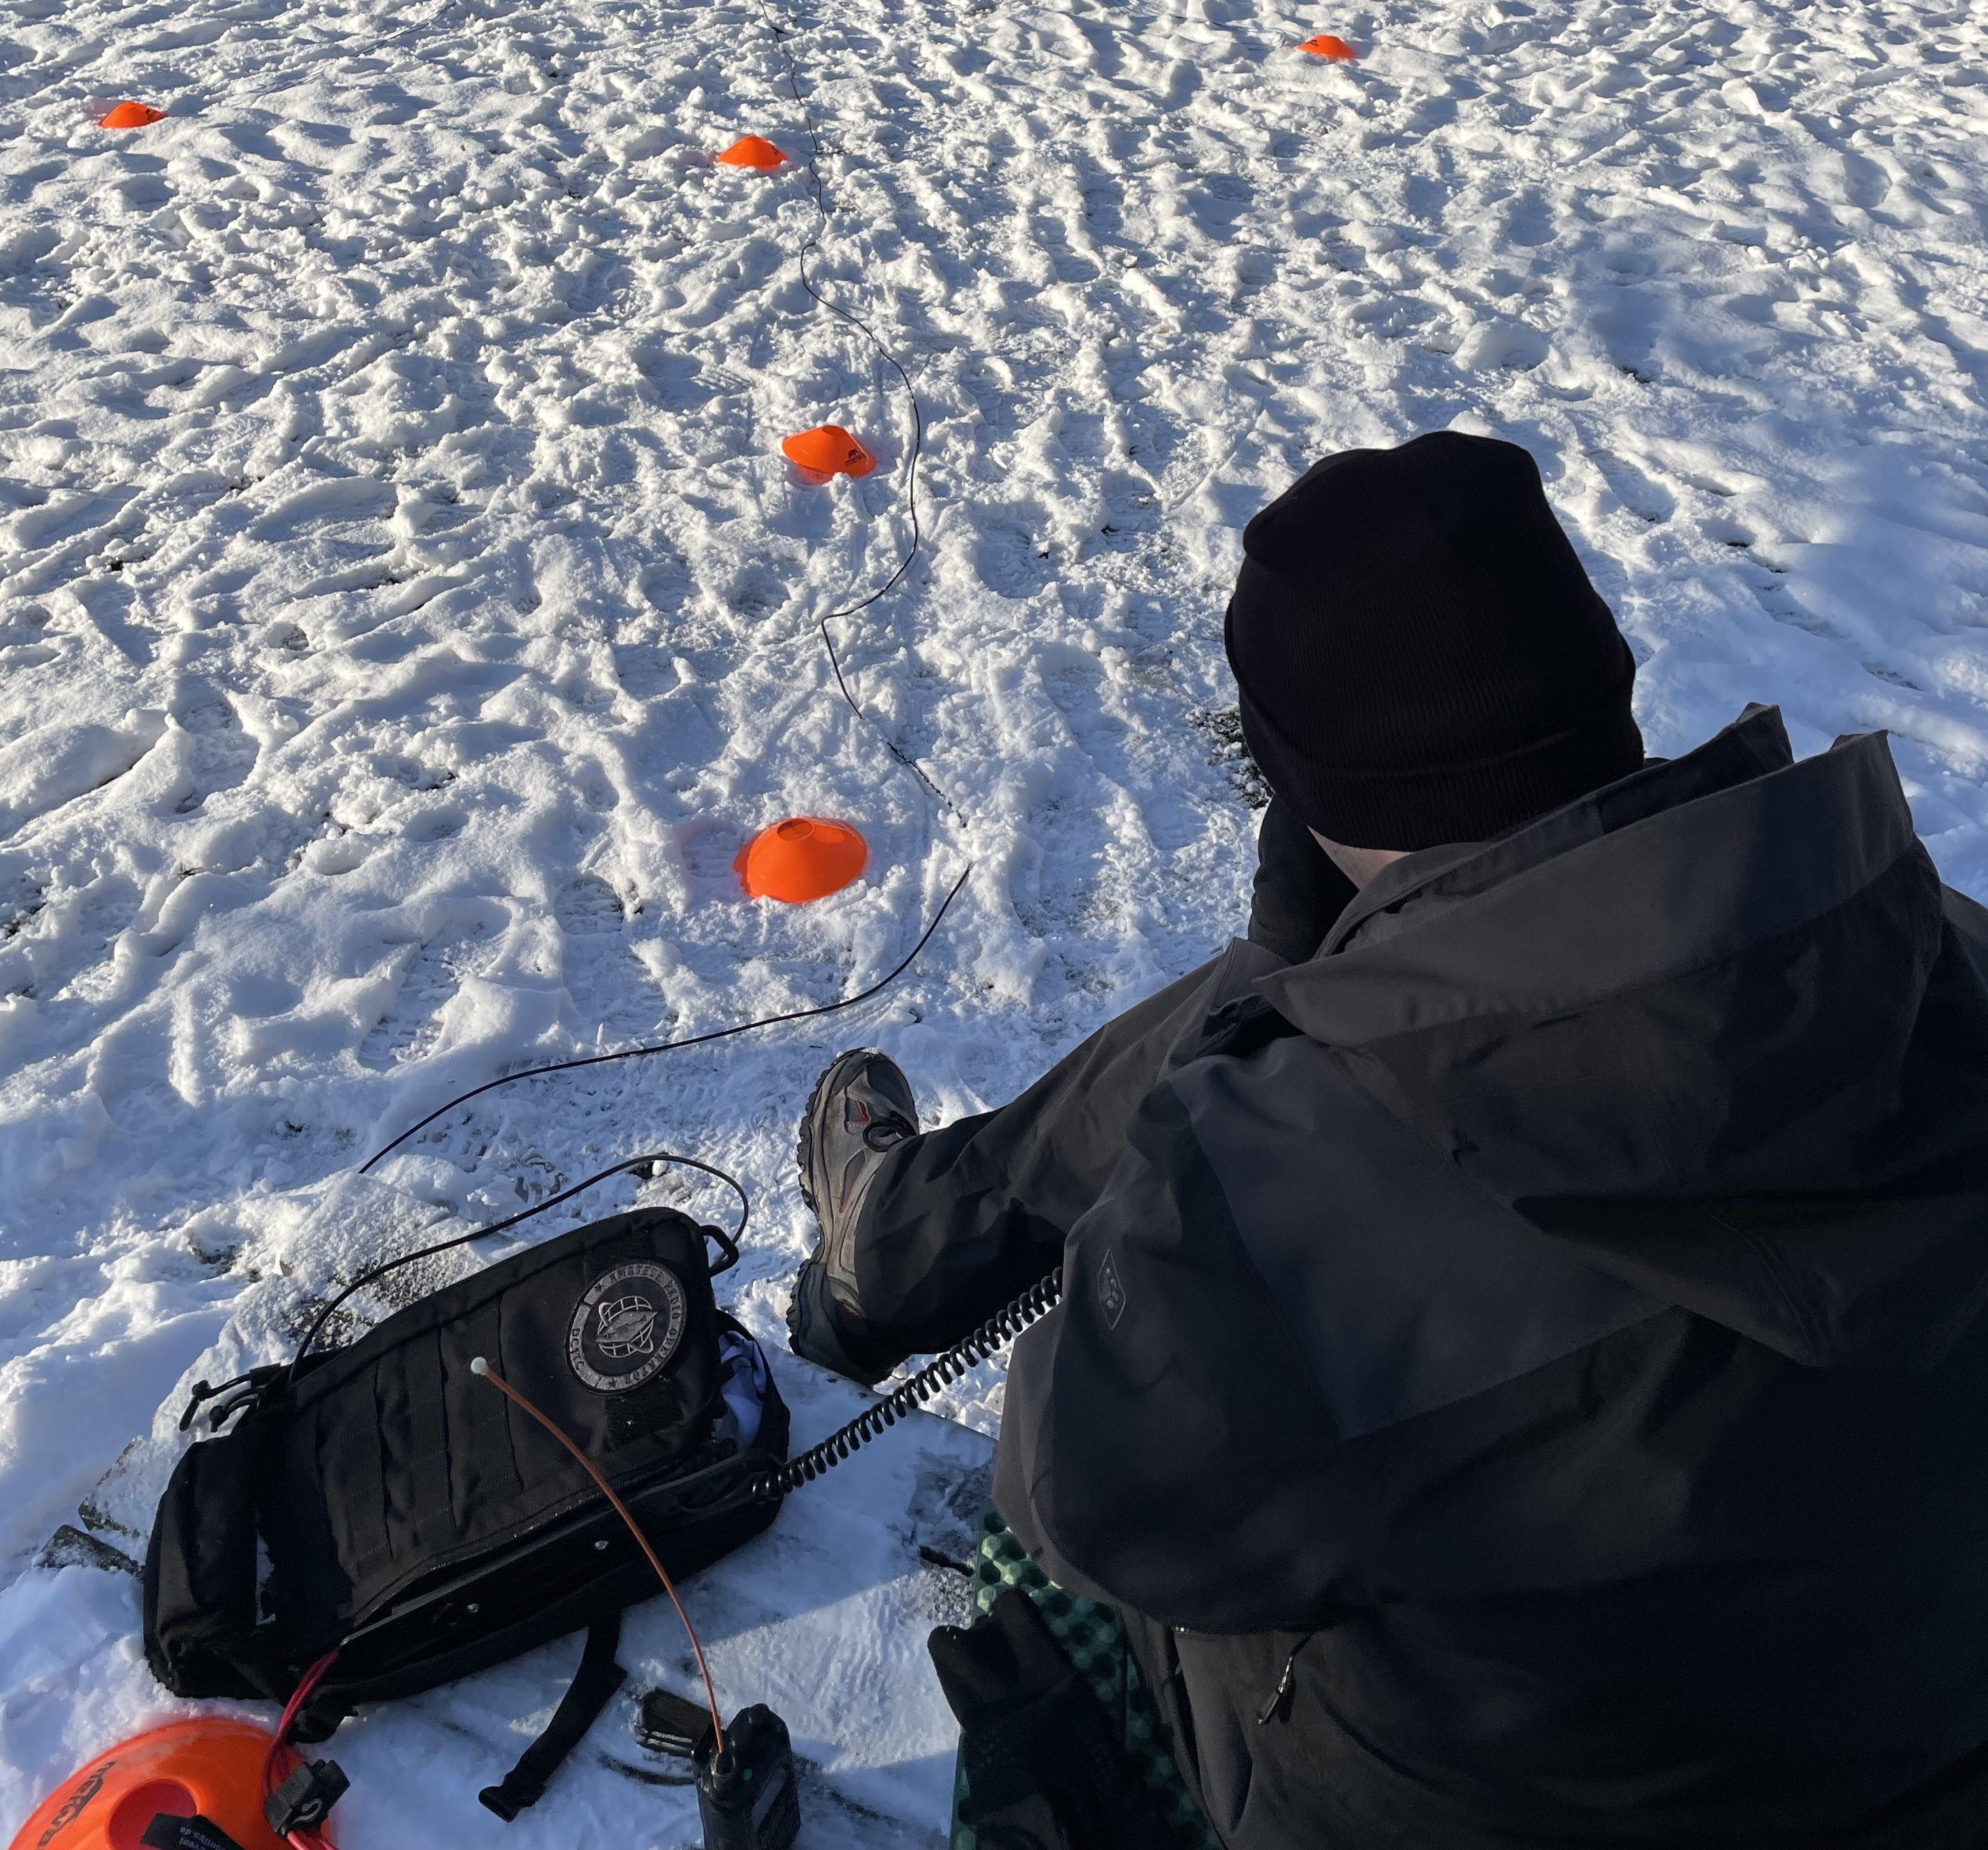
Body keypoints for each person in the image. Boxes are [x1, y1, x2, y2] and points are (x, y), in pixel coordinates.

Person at [786, 431, 1988, 1850]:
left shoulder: (1272, 1200)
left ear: (1297, 789)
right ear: (1603, 677)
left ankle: (891, 1245)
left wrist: (1259, 1032)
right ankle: (902, 1232)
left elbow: (1080, 1506)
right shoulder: (1933, 949)